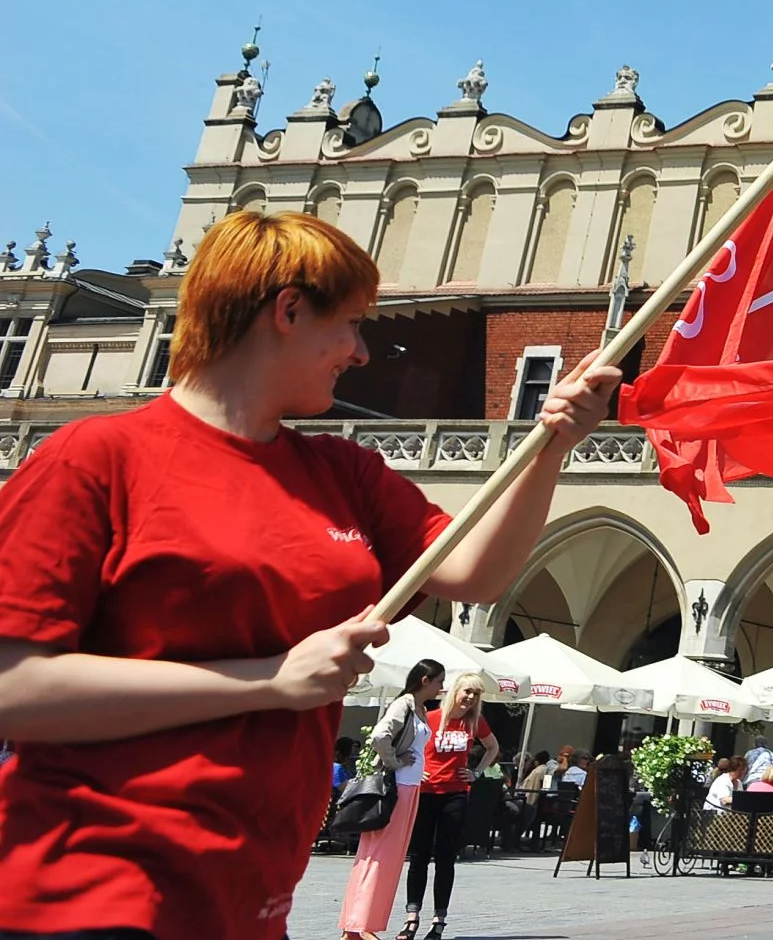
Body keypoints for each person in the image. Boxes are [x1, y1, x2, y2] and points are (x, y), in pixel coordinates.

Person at [0, 210, 622, 940]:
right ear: (288, 310)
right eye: (351, 324)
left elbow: (474, 572)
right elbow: (14, 686)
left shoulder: (343, 472)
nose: (361, 353)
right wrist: (268, 679)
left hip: (251, 896)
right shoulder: (98, 457)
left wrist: (553, 445)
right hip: (91, 885)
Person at [340, 658, 442, 940]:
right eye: (438, 681)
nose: (441, 687)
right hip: (395, 788)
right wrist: (395, 762)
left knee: (390, 858)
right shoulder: (405, 704)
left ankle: (361, 923)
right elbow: (379, 735)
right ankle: (357, 925)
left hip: (409, 788)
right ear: (425, 680)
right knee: (378, 856)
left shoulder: (419, 708)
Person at [400, 672, 496, 940]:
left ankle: (439, 921)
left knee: (445, 858)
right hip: (426, 792)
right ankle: (411, 918)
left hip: (455, 794)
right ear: (454, 690)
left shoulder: (474, 723)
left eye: (475, 694)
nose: (470, 698)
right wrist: (414, 768)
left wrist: (476, 773)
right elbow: (404, 748)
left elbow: (492, 748)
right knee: (418, 856)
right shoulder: (428, 718)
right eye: (467, 691)